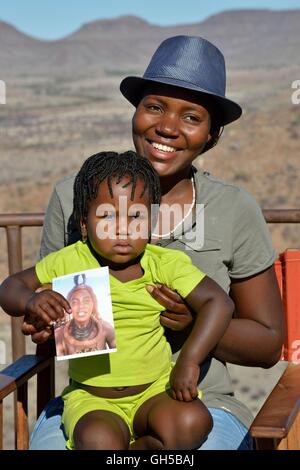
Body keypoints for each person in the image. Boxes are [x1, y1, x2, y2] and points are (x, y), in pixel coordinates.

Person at [22, 35, 284, 450]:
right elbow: (57, 318)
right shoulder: (75, 195)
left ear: (213, 135)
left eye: (192, 117)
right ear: (136, 111)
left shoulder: (233, 209)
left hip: (197, 401)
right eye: (155, 107)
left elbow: (268, 344)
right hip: (93, 402)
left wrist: (194, 323)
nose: (167, 127)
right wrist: (48, 323)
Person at [0, 151, 234, 449]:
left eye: (136, 216)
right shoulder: (70, 261)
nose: (123, 228)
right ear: (84, 224)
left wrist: (189, 361)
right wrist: (32, 300)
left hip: (155, 391)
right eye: (107, 216)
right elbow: (10, 287)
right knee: (99, 441)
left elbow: (218, 302)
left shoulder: (163, 264)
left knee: (192, 423)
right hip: (93, 399)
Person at [55, 274, 116, 357]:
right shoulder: (59, 334)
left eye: (86, 301)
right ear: (69, 306)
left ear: (93, 304)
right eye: (75, 302)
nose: (81, 306)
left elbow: (119, 356)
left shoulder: (106, 328)